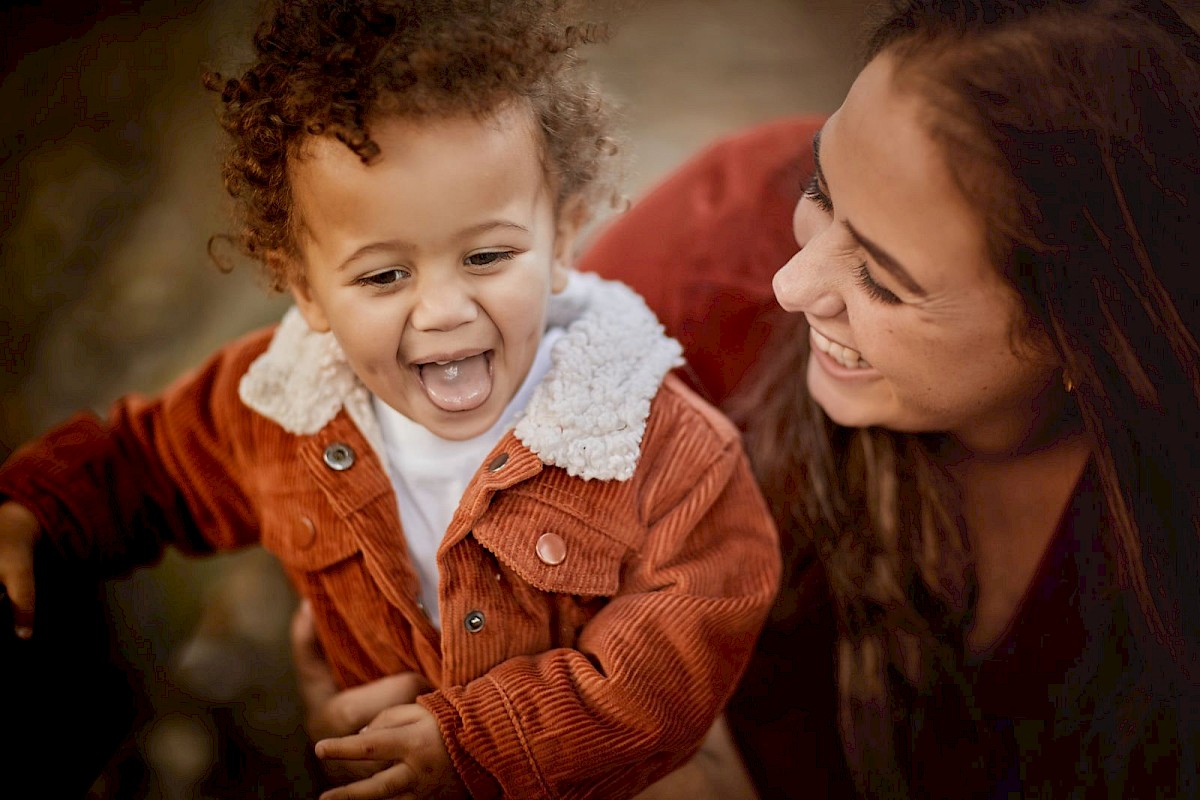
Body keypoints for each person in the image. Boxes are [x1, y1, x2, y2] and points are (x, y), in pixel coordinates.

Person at [299, 1, 1200, 797]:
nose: (789, 282)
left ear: (1089, 340)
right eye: (821, 189)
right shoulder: (702, 270)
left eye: (883, 283)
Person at [0, 1, 781, 798]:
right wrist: (36, 509)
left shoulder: (657, 443)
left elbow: (678, 655)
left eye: (485, 255)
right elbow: (148, 464)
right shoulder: (280, 405)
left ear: (563, 239)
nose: (442, 309)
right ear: (304, 288)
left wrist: (484, 744)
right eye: (383, 275)